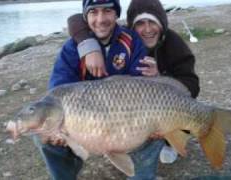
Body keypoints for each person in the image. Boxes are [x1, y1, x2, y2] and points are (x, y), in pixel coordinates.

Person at [67, 0, 200, 179]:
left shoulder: (173, 43)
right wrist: (87, 44)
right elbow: (77, 19)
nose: (147, 29)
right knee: (138, 116)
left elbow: (192, 84)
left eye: (152, 22)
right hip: (141, 105)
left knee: (171, 113)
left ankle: (170, 141)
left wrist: (161, 77)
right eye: (140, 23)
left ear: (162, 23)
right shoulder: (130, 43)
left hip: (174, 101)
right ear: (130, 26)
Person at [34, 0, 148, 179]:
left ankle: (142, 174)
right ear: (85, 16)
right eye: (93, 12)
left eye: (107, 11)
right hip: (84, 123)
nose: (101, 19)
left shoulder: (131, 41)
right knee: (45, 132)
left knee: (155, 122)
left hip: (127, 117)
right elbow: (56, 93)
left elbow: (144, 87)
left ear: (117, 14)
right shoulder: (72, 48)